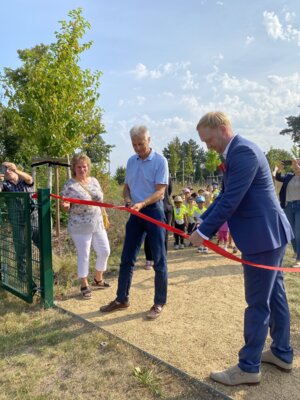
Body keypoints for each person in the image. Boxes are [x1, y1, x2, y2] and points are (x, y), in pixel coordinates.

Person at [189, 111, 294, 386]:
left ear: (222, 129)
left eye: (208, 139)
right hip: (268, 235)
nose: (207, 145)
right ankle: (282, 352)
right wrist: (202, 218)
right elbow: (225, 195)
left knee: (258, 302)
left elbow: (232, 199)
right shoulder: (238, 151)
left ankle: (249, 367)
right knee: (275, 296)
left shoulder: (243, 152)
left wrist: (203, 232)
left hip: (263, 237)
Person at [100, 125, 168, 320]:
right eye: (134, 144)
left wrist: (142, 203)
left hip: (153, 211)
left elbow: (160, 191)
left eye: (141, 143)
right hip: (135, 213)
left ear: (149, 140)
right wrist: (129, 200)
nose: (138, 148)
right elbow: (127, 188)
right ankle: (122, 299)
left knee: (159, 260)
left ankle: (159, 302)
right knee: (127, 258)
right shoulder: (131, 161)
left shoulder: (160, 161)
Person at [61, 153, 111, 299]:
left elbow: (100, 200)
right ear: (74, 168)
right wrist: (65, 205)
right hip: (80, 225)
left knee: (105, 250)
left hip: (97, 222)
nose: (82, 169)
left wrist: (105, 214)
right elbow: (65, 205)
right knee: (84, 255)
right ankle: (84, 284)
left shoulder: (94, 181)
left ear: (88, 167)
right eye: (79, 167)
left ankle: (98, 278)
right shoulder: (69, 185)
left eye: (85, 166)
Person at [0, 161, 39, 284]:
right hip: (18, 222)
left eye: (9, 167)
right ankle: (23, 279)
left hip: (33, 219)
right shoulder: (5, 184)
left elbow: (29, 179)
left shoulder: (23, 179)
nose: (7, 170)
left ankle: (48, 272)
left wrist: (16, 170)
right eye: (4, 169)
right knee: (20, 250)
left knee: (42, 245)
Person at [274, 160, 300, 268]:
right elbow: (279, 178)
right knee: (292, 232)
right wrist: (279, 169)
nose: (295, 165)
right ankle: (296, 251)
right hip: (288, 206)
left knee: (298, 231)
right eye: (294, 164)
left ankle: (299, 259)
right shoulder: (289, 176)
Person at [144, 178, 173, 270]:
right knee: (162, 235)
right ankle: (159, 259)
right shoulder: (167, 177)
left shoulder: (150, 175)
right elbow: (170, 191)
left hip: (157, 207)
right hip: (160, 207)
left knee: (151, 234)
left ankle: (151, 260)